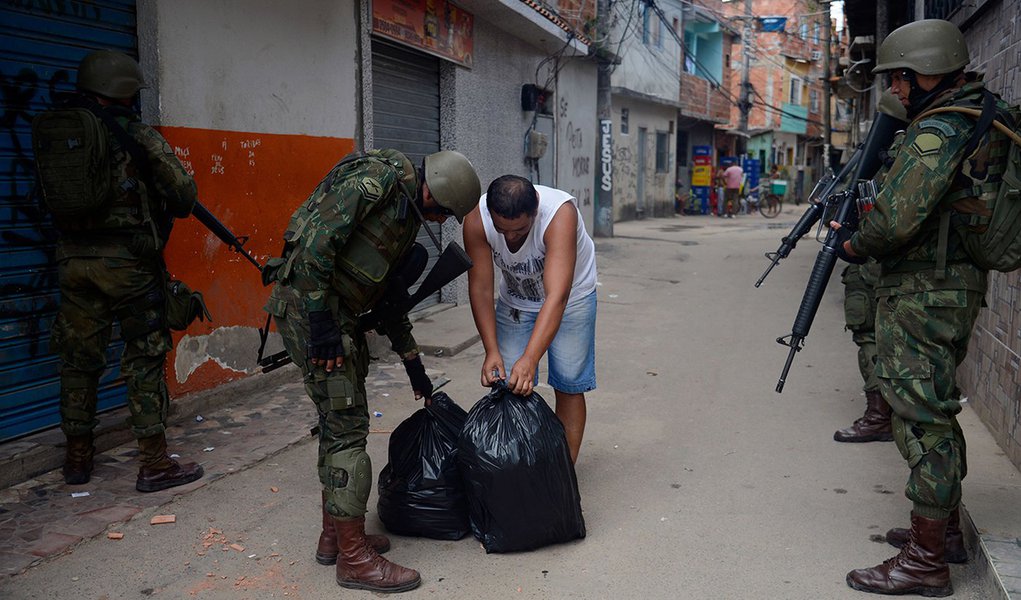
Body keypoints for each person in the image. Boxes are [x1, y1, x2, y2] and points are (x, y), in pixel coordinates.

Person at [834, 19, 1015, 596]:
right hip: (951, 286)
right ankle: (945, 537)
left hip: (925, 290)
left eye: (904, 79)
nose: (899, 91)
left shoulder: (938, 129)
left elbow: (894, 219)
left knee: (920, 413)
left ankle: (925, 561)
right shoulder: (987, 114)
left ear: (928, 71)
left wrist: (853, 243)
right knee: (930, 403)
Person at [262, 148, 480, 593]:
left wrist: (413, 361)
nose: (441, 223)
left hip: (333, 316)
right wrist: (322, 322)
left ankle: (335, 537)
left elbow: (388, 301)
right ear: (433, 194)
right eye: (444, 214)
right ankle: (355, 560)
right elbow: (314, 245)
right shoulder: (378, 184)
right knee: (348, 429)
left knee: (334, 424)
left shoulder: (403, 217)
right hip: (313, 312)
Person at [34, 50, 204, 493]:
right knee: (144, 357)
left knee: (78, 357)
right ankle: (154, 464)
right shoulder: (136, 134)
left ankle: (77, 458)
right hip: (128, 267)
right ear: (126, 90)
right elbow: (184, 196)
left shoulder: (61, 132)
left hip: (72, 262)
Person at [462, 175, 598, 464]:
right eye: (503, 230)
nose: (510, 238)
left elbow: (556, 297)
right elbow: (481, 288)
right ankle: (519, 469)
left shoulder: (559, 214)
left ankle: (563, 472)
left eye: (520, 229)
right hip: (515, 302)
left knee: (569, 383)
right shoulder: (476, 219)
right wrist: (491, 351)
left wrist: (531, 357)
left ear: (535, 209)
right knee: (511, 382)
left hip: (571, 299)